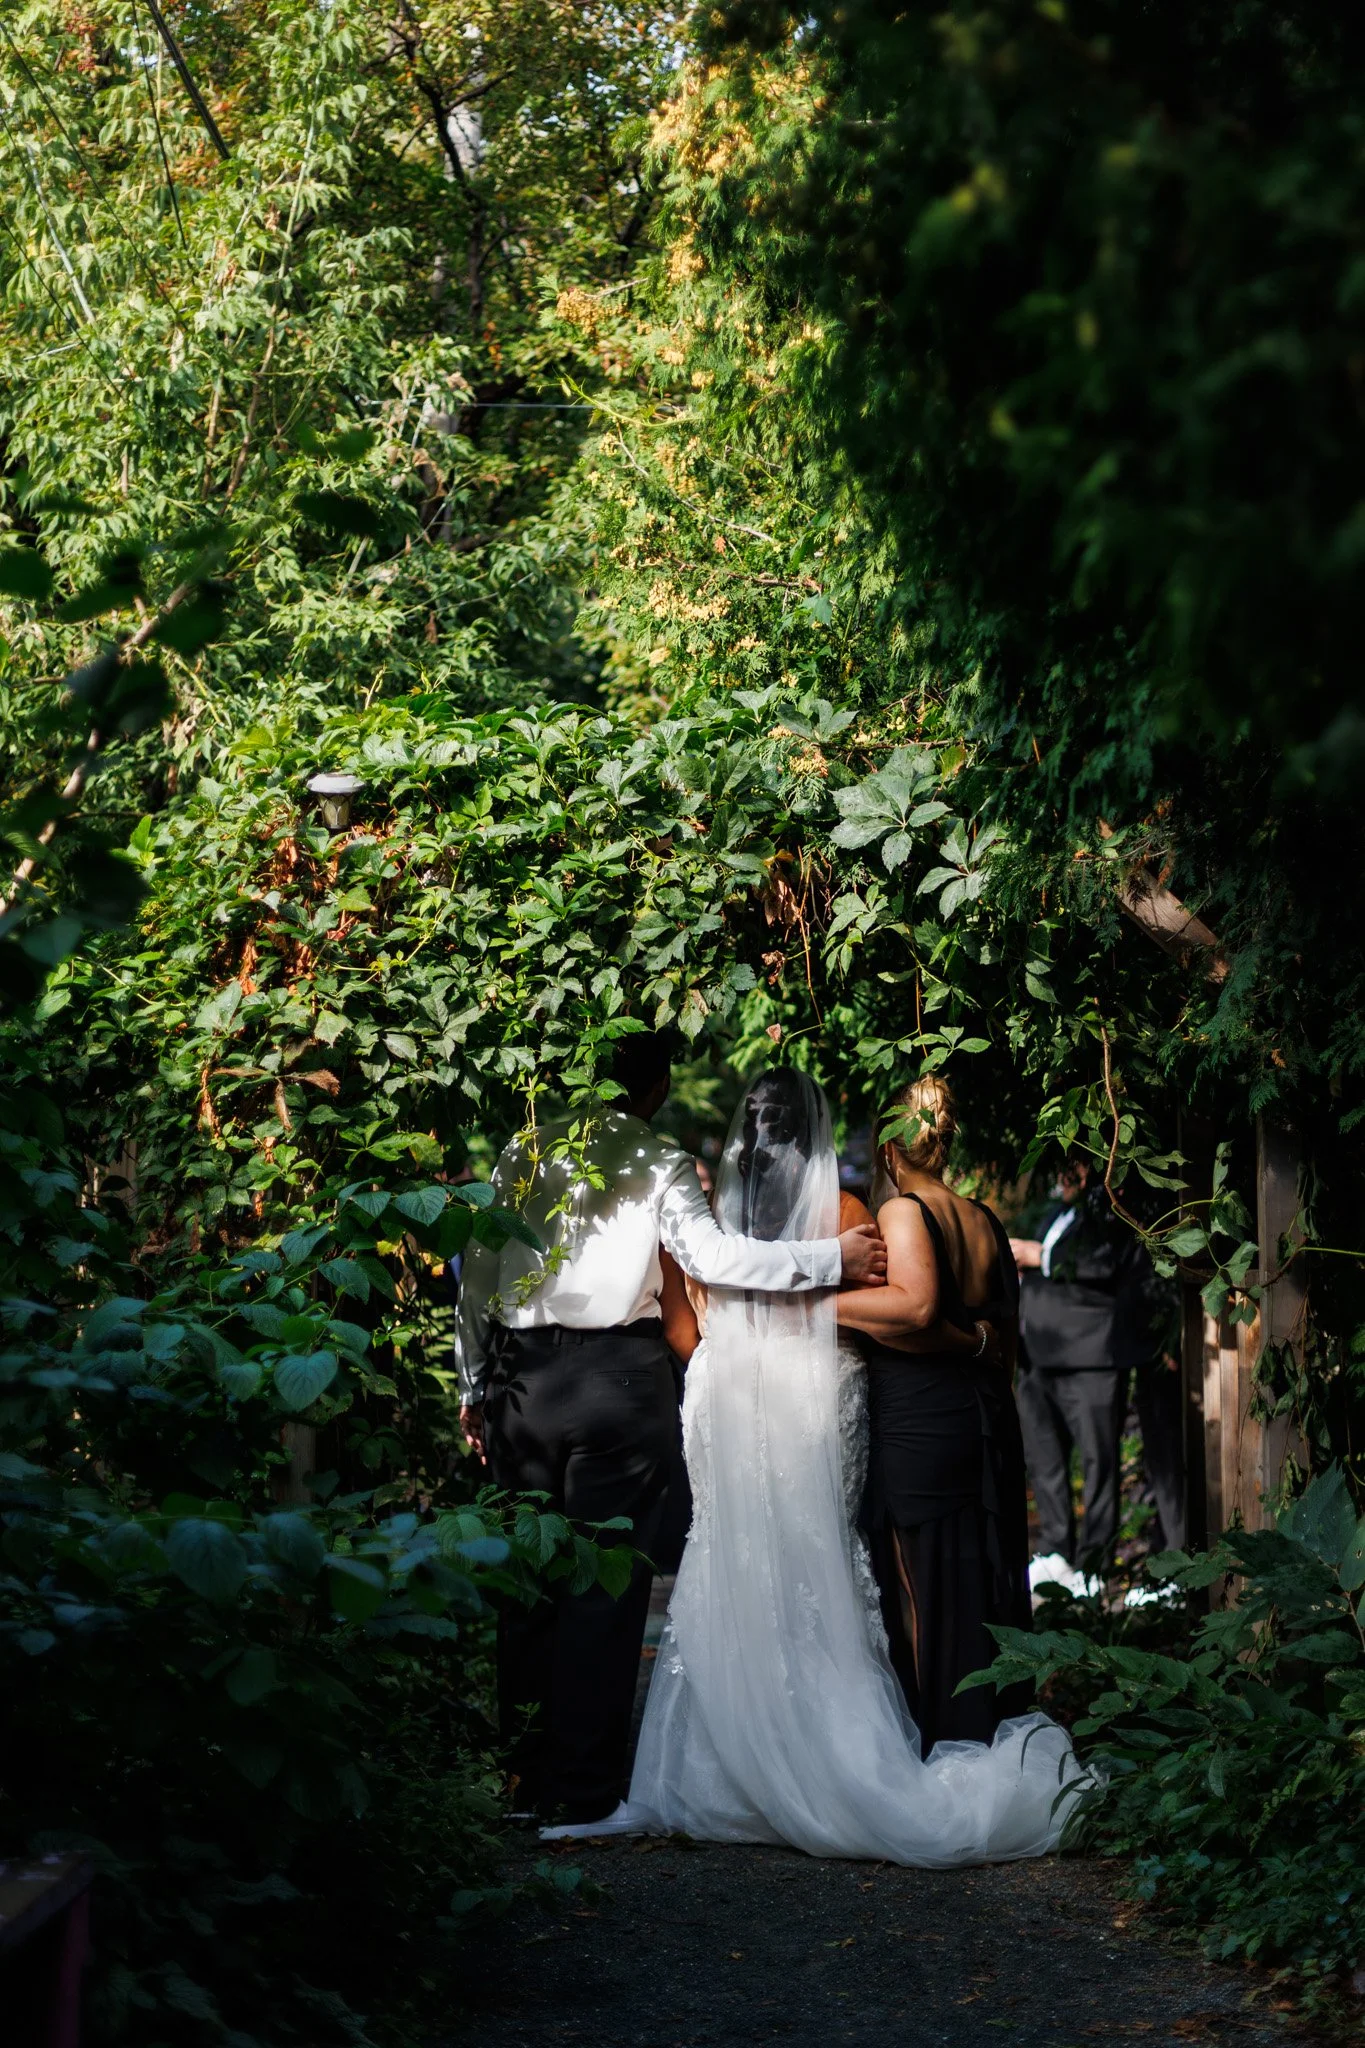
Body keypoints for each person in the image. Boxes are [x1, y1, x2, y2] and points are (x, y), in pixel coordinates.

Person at [621, 1067, 1085, 1863]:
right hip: (818, 1394)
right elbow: (911, 1311)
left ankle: (734, 1762)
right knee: (821, 1561)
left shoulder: (706, 1226)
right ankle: (879, 1740)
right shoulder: (846, 1214)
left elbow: (683, 1332)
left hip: (731, 1391)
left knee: (747, 1557)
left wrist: (750, 1333)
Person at [453, 1035, 888, 1834]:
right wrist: (829, 1256)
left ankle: (520, 1784)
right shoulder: (654, 1155)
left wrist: (473, 1386)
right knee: (601, 1584)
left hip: (519, 1380)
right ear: (654, 1089)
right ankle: (580, 1796)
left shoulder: (525, 1148)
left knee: (528, 1585)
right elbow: (712, 1258)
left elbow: (476, 1270)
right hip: (616, 1380)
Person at [839, 1074, 1036, 1756]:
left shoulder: (901, 1213)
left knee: (922, 1589)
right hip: (984, 1416)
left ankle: (940, 1748)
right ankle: (988, 1736)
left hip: (918, 1421)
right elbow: (1003, 1342)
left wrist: (810, 1305)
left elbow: (915, 1308)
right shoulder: (983, 1218)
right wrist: (971, 1346)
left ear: (889, 1153)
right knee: (980, 1584)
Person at [1010, 1161, 1146, 1578]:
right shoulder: (1057, 1215)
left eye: (1067, 1168)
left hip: (1090, 1360)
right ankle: (1055, 1553)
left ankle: (1094, 1563)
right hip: (1036, 1359)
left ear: (1088, 1170)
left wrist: (1039, 1254)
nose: (1058, 1176)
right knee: (1044, 1462)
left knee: (1097, 1463)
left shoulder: (1111, 1213)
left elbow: (1104, 1264)